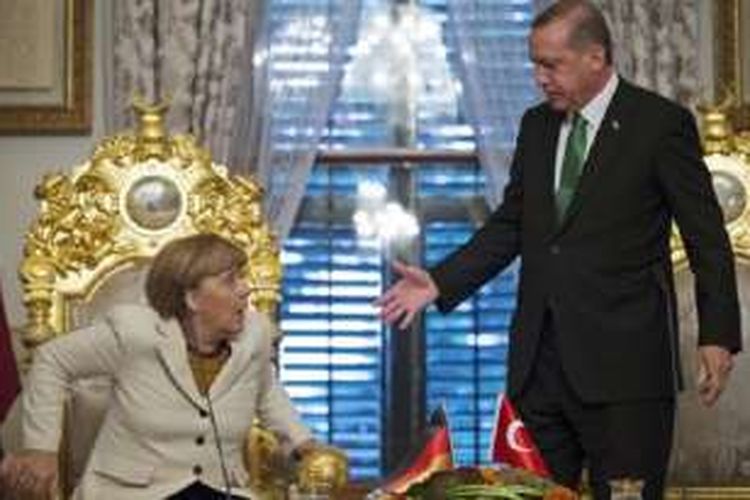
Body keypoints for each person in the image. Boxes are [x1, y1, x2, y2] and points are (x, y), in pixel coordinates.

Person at [376, 1, 741, 498]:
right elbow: (511, 225)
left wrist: (717, 334)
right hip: (539, 370)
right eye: (534, 63)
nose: (539, 77)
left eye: (551, 64)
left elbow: (707, 239)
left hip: (624, 373)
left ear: (596, 57)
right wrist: (441, 281)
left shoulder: (659, 124)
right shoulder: (537, 126)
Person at [0, 233, 316, 499]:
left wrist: (304, 444)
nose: (246, 288)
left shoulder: (255, 333)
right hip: (133, 493)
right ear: (191, 298)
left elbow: (266, 391)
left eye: (242, 277)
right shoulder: (135, 333)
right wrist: (41, 449)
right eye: (230, 281)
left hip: (219, 489)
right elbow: (51, 360)